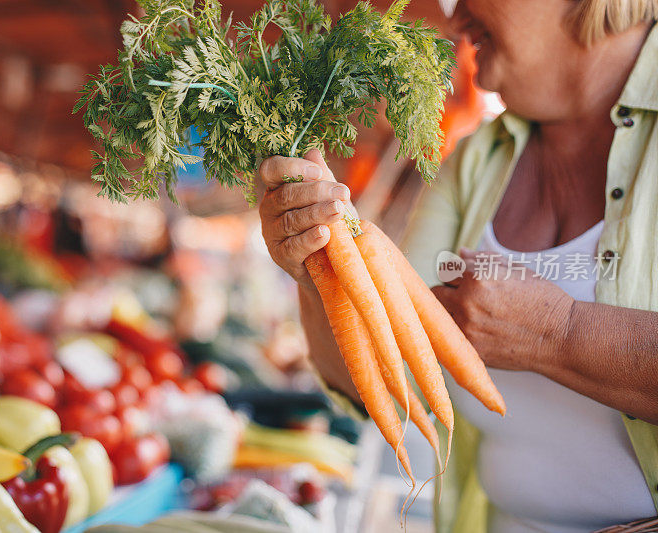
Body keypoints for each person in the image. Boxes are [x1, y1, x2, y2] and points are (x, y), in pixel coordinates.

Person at [257, 0, 658, 531]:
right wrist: (316, 268)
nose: (453, 15)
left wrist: (557, 333)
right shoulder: (476, 161)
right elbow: (381, 380)